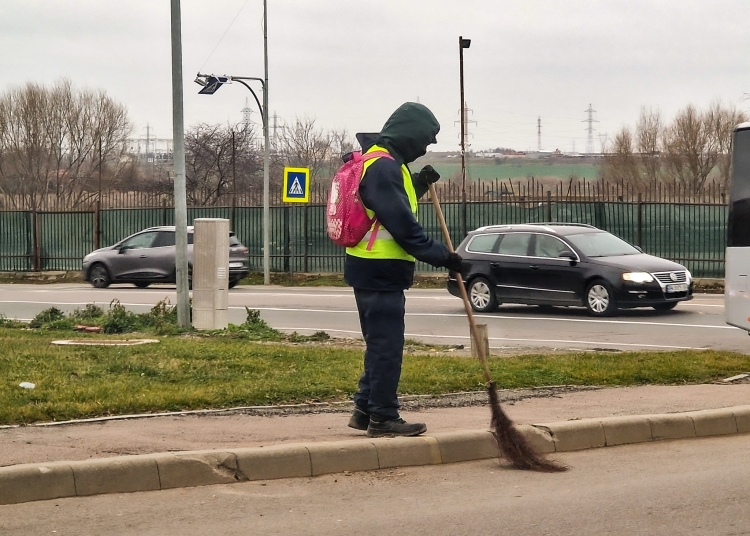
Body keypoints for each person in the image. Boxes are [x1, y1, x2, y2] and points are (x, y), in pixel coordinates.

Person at [344, 102, 463, 438]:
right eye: (425, 139)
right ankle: (383, 418)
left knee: (379, 345)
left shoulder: (383, 163)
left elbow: (389, 207)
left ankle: (364, 408)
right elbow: (403, 227)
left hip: (371, 268)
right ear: (409, 134)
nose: (426, 147)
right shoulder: (383, 167)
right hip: (379, 270)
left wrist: (420, 185)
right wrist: (444, 257)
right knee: (387, 347)